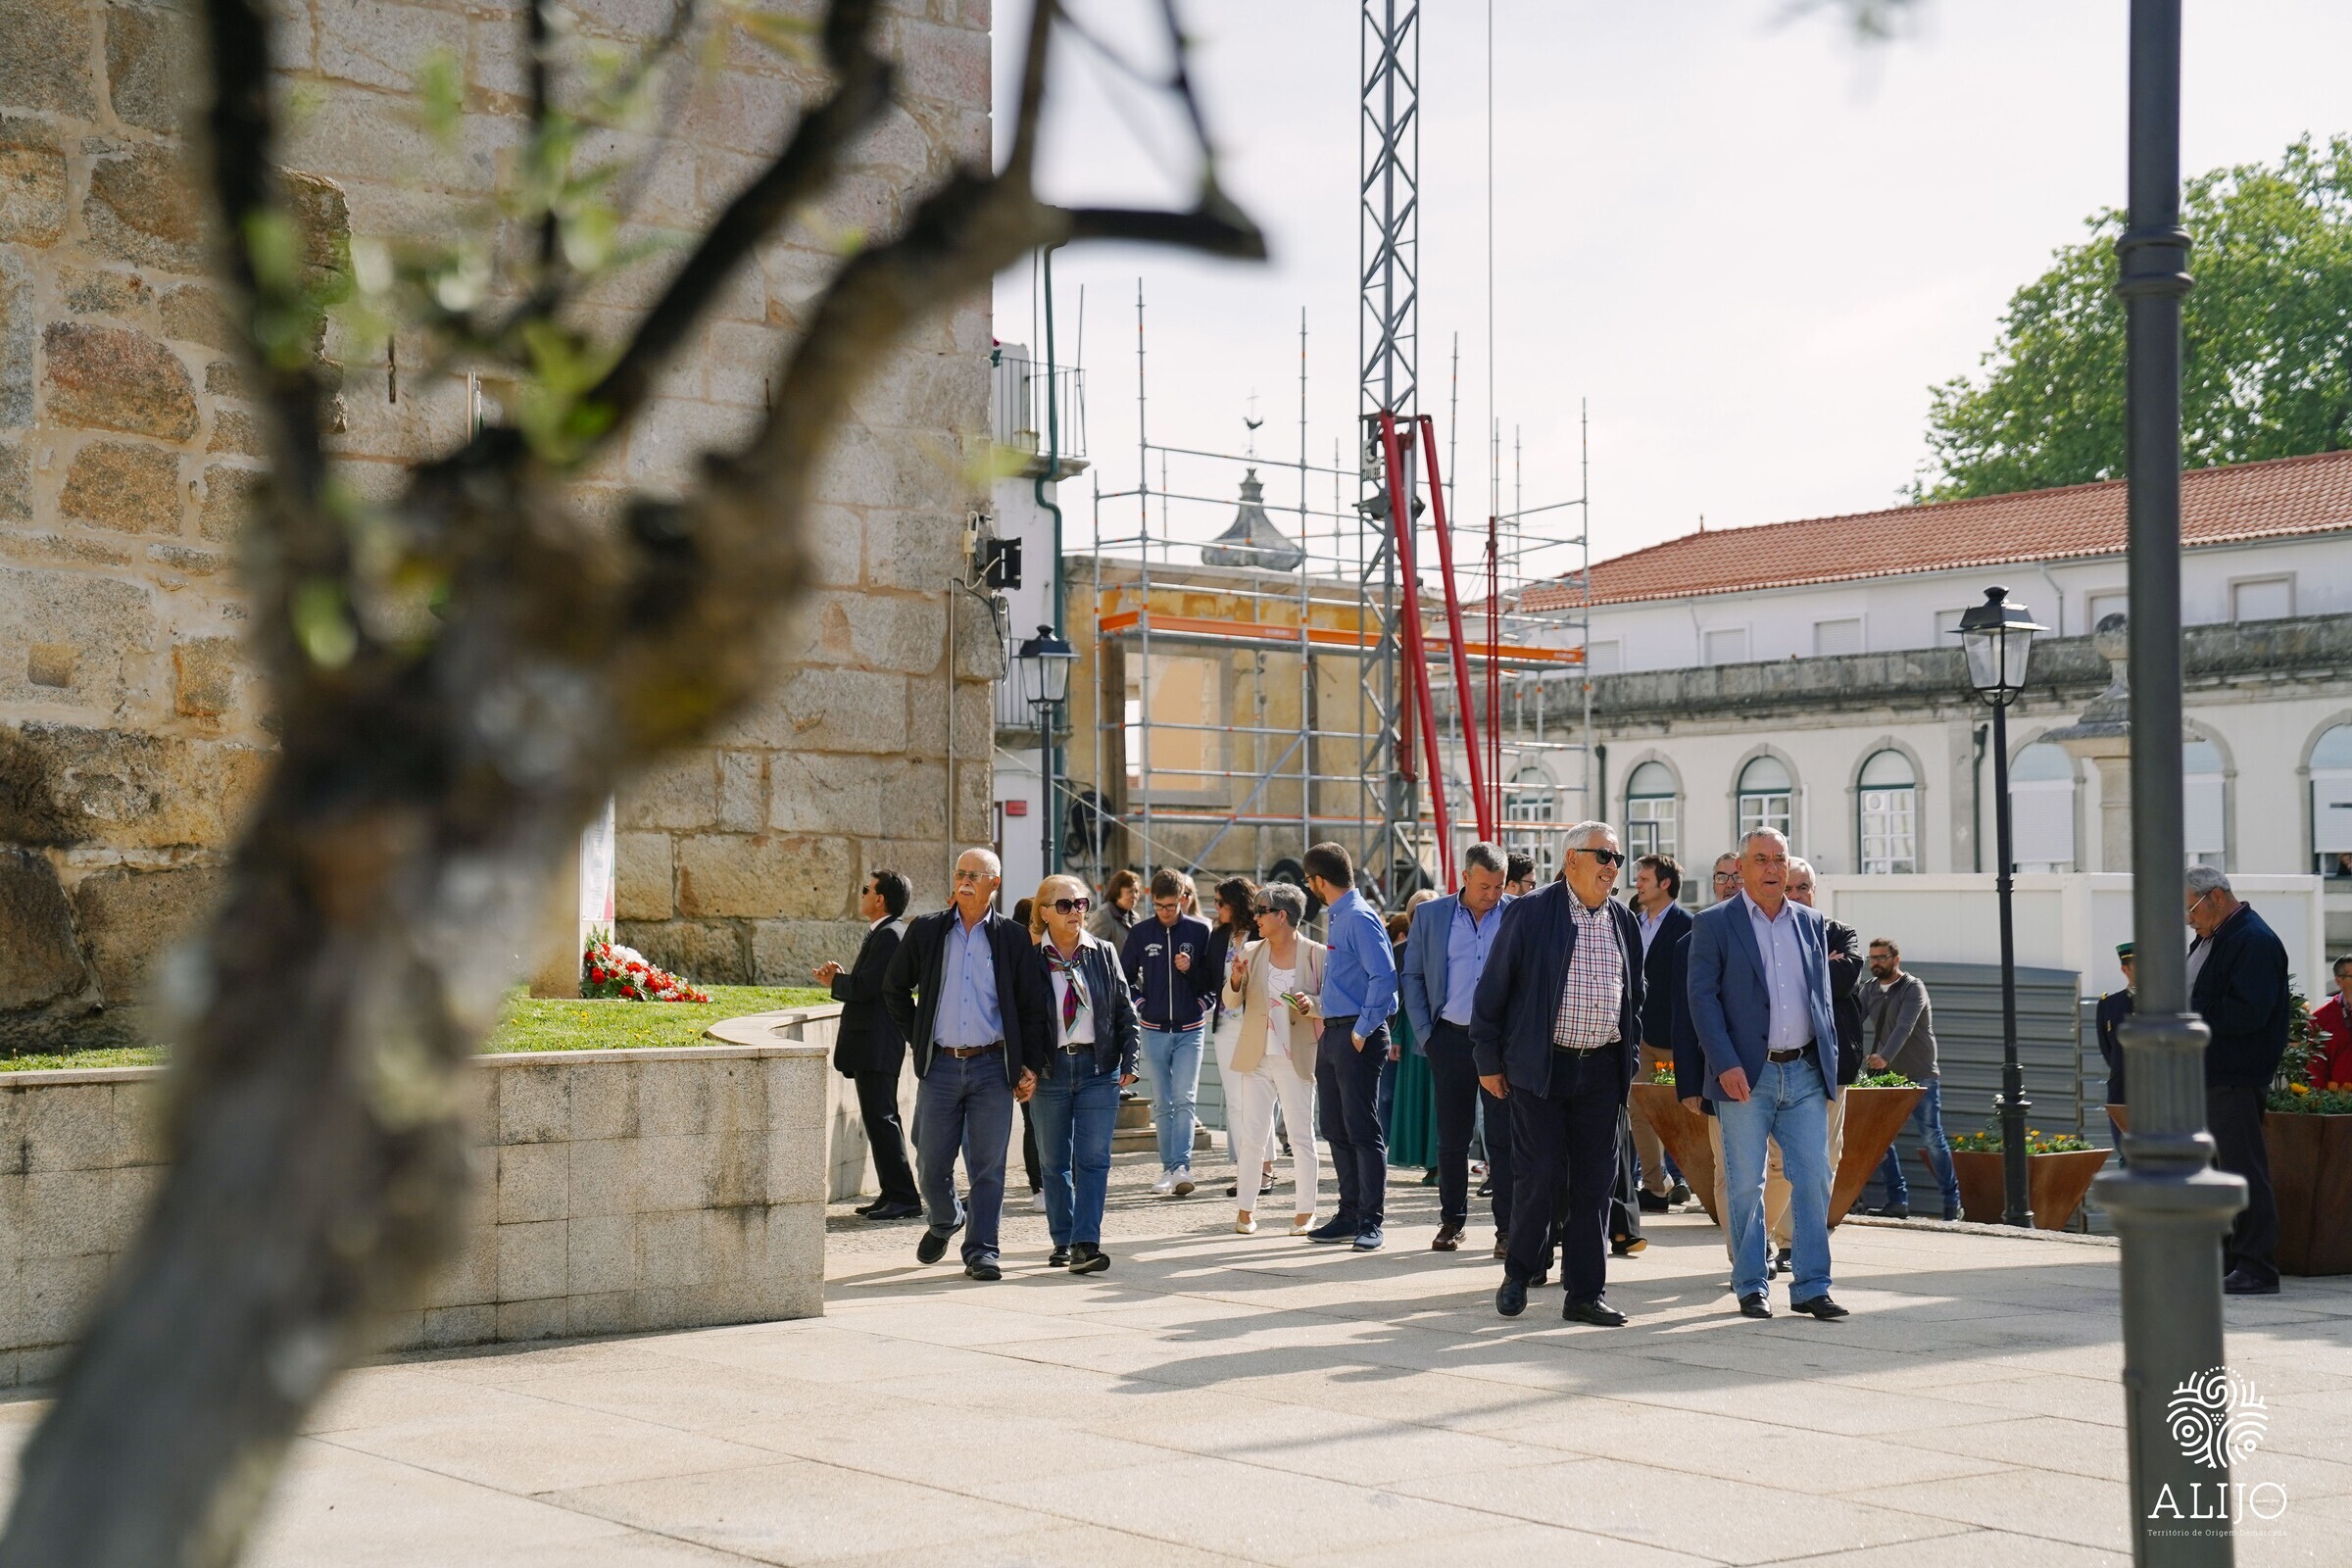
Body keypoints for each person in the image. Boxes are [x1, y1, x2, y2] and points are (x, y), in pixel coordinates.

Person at [1473, 821, 1643, 1327]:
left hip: (1602, 1070)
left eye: (1617, 859)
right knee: (1539, 1175)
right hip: (1541, 1068)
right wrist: (1488, 1061)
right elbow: (1492, 990)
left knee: (1595, 1184)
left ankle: (1585, 1293)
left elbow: (1635, 998)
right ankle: (1519, 1271)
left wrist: (1629, 1059)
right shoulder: (1531, 912)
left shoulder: (1623, 920)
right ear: (1572, 860)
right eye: (1603, 856)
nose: (1613, 867)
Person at [1687, 827, 1846, 1320]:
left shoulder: (1810, 922)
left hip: (1804, 1072)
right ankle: (1751, 1284)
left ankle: (1812, 1286)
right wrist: (1724, 1063)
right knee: (1744, 1184)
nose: (1773, 869)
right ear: (1741, 868)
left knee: (1814, 1176)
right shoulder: (1714, 923)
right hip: (1743, 1078)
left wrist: (1827, 1062)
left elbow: (1821, 998)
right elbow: (1702, 1000)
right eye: (1761, 860)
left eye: (1780, 859)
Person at [882, 848, 1051, 1282]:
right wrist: (918, 1035)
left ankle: (982, 1250)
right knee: (930, 1165)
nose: (965, 881)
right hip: (940, 1066)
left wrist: (1030, 1064)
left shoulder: (1013, 938)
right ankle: (946, 1219)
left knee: (988, 1168)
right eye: (960, 873)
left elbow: (1032, 1008)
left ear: (995, 883)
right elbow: (894, 987)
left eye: (975, 875)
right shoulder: (928, 930)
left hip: (992, 1066)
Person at [1400, 841, 1515, 1255]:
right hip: (1448, 1038)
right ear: (1465, 877)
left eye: (1499, 886)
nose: (1492, 895)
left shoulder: (1517, 913)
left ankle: (1508, 1230)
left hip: (1501, 1044)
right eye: (1484, 886)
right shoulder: (1432, 916)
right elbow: (1412, 975)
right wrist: (1427, 1035)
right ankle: (1452, 1221)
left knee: (1503, 1138)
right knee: (1452, 1138)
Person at [1026, 874, 1141, 1274]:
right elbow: (1019, 1019)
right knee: (1054, 1161)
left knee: (1093, 1159)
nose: (1075, 911)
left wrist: (1131, 1059)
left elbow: (1125, 1009)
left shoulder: (1103, 953)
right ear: (1044, 912)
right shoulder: (1030, 959)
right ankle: (1063, 1239)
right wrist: (1022, 1067)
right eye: (1064, 905)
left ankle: (1086, 1242)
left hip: (1098, 1068)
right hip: (1050, 1070)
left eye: (1080, 904)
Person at [2184, 866, 2291, 1296]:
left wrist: (2187, 1011)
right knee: (2218, 1170)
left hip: (2234, 1073)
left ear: (2215, 896)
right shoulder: (2214, 936)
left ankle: (2257, 1265)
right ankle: (2230, 1259)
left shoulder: (2253, 940)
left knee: (2242, 1169)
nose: (2188, 919)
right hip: (2210, 1071)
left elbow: (2248, 1012)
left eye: (2191, 908)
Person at [1764, 858, 1862, 1267]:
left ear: (1814, 891)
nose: (1796, 895)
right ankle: (1767, 1237)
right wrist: (1820, 965)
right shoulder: (1767, 932)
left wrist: (1800, 969)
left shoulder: (1839, 932)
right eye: (1789, 888)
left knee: (1828, 1157)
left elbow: (1844, 979)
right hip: (1781, 1067)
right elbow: (1776, 985)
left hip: (1831, 1065)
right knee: (1781, 1161)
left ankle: (1795, 1243)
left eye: (1803, 887)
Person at [1301, 841, 1398, 1250]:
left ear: (1319, 880)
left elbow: (1385, 977)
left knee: (1361, 1128)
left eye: (1309, 881)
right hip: (1336, 1032)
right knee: (1335, 1127)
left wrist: (1361, 1031)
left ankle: (1370, 1220)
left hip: (1355, 1034)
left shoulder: (1357, 917)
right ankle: (1349, 1213)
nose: (1309, 887)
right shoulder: (1342, 915)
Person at [813, 868, 920, 1221]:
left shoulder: (889, 935)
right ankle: (893, 1192)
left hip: (877, 1043)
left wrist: (836, 981)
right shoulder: (886, 933)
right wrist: (841, 978)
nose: (861, 895)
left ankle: (904, 1196)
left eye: (866, 890)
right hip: (874, 1043)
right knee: (879, 1119)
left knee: (882, 1119)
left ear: (880, 899)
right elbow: (869, 983)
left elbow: (867, 988)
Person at [1221, 882, 1325, 1236]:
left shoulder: (1315, 954)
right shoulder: (1250, 951)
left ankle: (1305, 1212)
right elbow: (1230, 1002)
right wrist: (1235, 980)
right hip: (1257, 1056)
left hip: (1296, 1057)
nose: (1256, 917)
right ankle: (1245, 1211)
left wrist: (1312, 1005)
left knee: (1300, 1137)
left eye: (1261, 911)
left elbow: (1330, 1002)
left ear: (1282, 915)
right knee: (1251, 1136)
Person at [1121, 869, 1214, 1197]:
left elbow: (1212, 978)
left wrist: (1201, 999)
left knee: (1184, 1099)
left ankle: (1181, 1167)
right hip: (1154, 1029)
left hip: (1191, 1029)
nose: (1165, 912)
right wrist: (1141, 1003)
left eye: (1171, 906)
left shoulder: (1200, 930)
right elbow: (1124, 978)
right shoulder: (1140, 932)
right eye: (1159, 906)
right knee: (1162, 1103)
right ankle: (1167, 1169)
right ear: (1152, 900)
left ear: (1183, 900)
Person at [1861, 938, 1961, 1222]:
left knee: (1931, 1137)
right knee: (1880, 1138)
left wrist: (1884, 1056)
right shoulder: (1869, 989)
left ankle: (1952, 1203)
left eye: (1881, 957)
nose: (1875, 962)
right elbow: (1852, 1020)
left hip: (1919, 1073)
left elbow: (1904, 1027)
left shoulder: (1912, 987)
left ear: (1896, 959)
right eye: (1872, 958)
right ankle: (1898, 1201)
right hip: (1888, 1076)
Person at [1627, 854, 1692, 1212]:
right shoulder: (1631, 924)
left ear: (1665, 883)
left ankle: (1695, 1180)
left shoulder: (1689, 926)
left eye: (1644, 878)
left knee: (1688, 1111)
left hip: (1677, 1037)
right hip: (1639, 1037)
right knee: (1640, 1111)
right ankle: (1654, 1187)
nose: (1637, 883)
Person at [1204, 877, 1266, 1201]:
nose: (1216, 907)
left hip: (1256, 1024)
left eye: (1220, 901)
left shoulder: (1262, 932)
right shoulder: (1218, 936)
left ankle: (1264, 1168)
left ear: (1236, 902)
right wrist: (1185, 968)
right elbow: (1205, 978)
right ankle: (1246, 1169)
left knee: (1260, 1097)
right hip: (1226, 1025)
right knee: (1235, 1101)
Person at [2096, 943, 2135, 1149]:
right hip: (2122, 1091)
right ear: (2125, 969)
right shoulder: (2109, 1004)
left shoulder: (2165, 1003)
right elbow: (2108, 1050)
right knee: (2126, 1152)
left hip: (2158, 1091)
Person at [2308, 955, 2351, 1088]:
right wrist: (2321, 1096)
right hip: (2337, 1097)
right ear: (2338, 980)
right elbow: (2314, 1064)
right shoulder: (2320, 1019)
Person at [1089, 868, 1143, 946]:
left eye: (1136, 891)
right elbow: (1092, 947)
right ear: (1117, 891)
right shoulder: (1104, 915)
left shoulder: (1135, 918)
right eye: (1130, 891)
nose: (1134, 896)